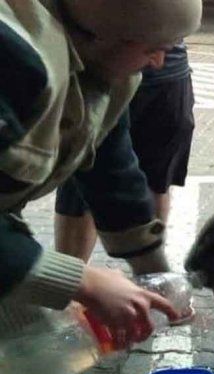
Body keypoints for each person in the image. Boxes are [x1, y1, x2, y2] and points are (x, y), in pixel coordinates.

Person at [0, 0, 201, 374]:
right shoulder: (14, 60)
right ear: (106, 34)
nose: (161, 60)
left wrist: (156, 277)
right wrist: (84, 281)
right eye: (154, 46)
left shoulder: (101, 64)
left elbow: (111, 169)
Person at [55, 42, 196, 262]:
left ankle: (152, 281)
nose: (157, 59)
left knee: (157, 181)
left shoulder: (162, 57)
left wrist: (152, 271)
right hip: (99, 66)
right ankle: (68, 287)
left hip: (167, 77)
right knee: (80, 183)